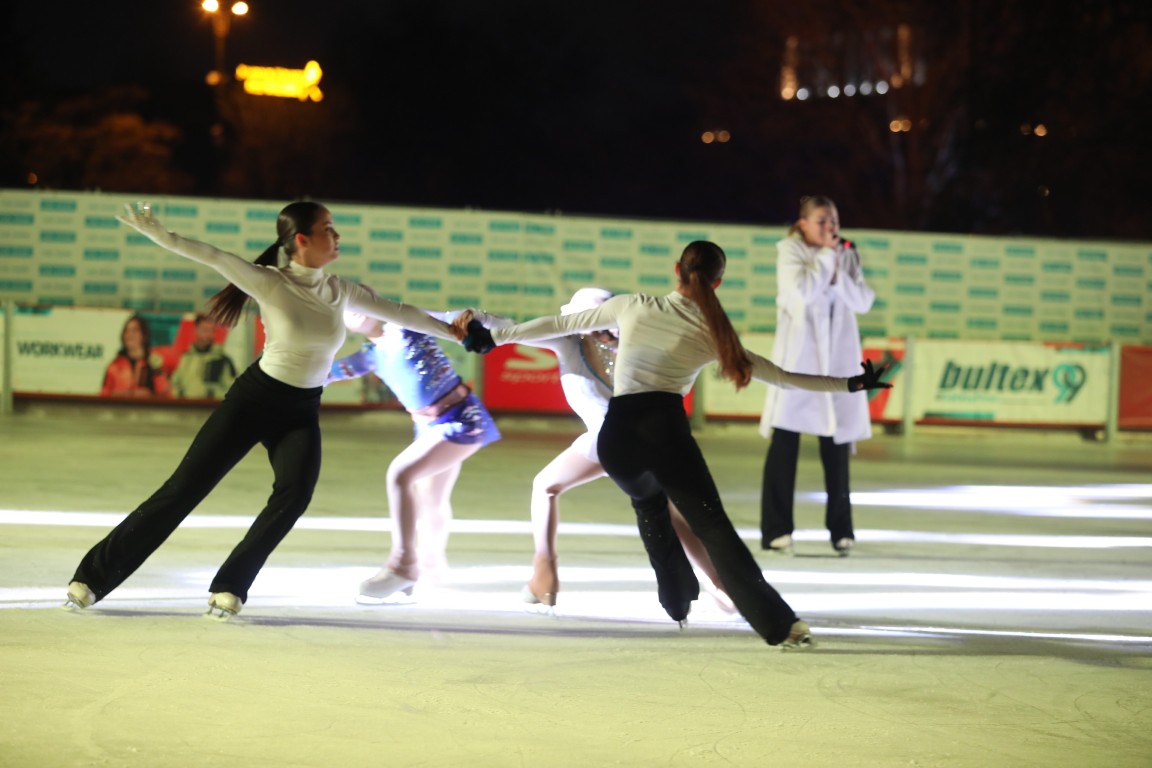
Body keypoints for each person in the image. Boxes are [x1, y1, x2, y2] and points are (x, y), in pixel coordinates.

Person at [457, 241, 890, 648]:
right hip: (665, 434)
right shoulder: (712, 333)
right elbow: (781, 376)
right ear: (716, 283)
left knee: (651, 508)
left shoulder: (632, 306)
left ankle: (677, 598)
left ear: (676, 271)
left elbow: (558, 324)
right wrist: (850, 383)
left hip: (617, 441)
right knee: (713, 529)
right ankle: (780, 626)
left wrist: (488, 338)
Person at [64, 201, 463, 619]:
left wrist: (456, 331)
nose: (337, 236)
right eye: (329, 229)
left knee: (295, 494)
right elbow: (213, 256)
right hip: (253, 401)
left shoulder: (341, 291)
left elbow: (403, 314)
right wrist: (159, 234)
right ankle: (92, 578)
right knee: (184, 489)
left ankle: (231, 585)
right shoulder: (270, 282)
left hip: (301, 411)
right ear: (302, 240)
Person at [471, 288, 733, 612]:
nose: (604, 332)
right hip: (617, 437)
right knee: (664, 509)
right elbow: (511, 328)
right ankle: (719, 585)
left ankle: (544, 575)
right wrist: (474, 317)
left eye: (607, 326)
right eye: (597, 325)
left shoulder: (625, 343)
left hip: (620, 438)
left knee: (667, 509)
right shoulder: (567, 341)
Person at [329, 310, 500, 602]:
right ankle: (431, 565)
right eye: (347, 308)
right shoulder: (370, 354)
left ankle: (403, 566)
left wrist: (477, 323)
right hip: (427, 427)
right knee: (431, 499)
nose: (355, 309)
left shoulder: (405, 325)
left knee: (401, 475)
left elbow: (451, 316)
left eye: (361, 298)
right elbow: (326, 372)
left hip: (462, 418)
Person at [759, 195, 877, 557]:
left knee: (838, 447)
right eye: (823, 221)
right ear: (804, 223)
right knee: (785, 444)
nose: (831, 228)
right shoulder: (790, 252)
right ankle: (776, 530)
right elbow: (804, 293)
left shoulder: (846, 253)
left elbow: (863, 301)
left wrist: (840, 265)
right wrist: (829, 258)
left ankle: (842, 531)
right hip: (799, 363)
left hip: (839, 363)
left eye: (834, 221)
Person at [101, 314, 171, 398]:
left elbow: (166, 395)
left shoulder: (153, 363)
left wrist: (149, 396)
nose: (129, 334)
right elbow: (104, 394)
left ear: (144, 335)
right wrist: (125, 394)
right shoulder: (114, 366)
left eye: (134, 330)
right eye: (127, 331)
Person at [170, 312, 238, 399]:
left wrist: (211, 394)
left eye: (212, 331)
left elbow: (231, 390)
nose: (209, 335)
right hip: (186, 409)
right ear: (196, 330)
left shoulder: (222, 360)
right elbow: (175, 384)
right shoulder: (186, 358)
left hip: (209, 408)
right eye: (205, 330)